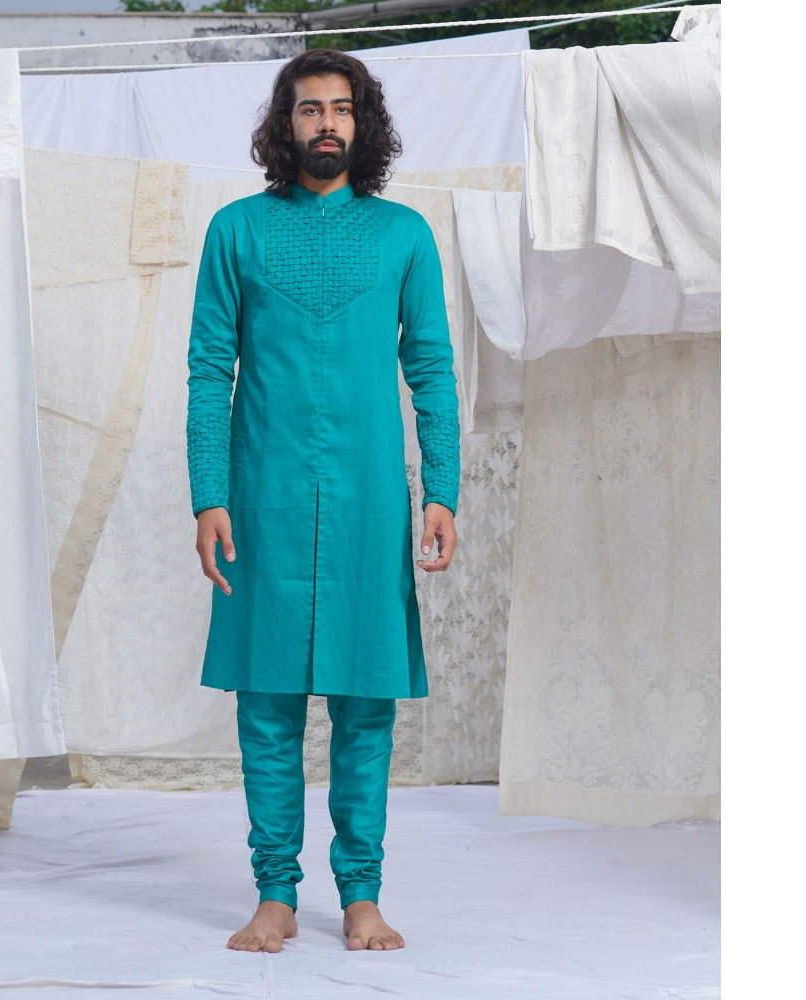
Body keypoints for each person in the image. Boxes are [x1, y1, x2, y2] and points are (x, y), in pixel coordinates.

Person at [186, 48, 460, 954]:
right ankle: (274, 893)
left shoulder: (403, 235)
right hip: (260, 497)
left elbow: (431, 370)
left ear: (362, 123)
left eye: (341, 108)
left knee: (365, 702)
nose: (327, 123)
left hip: (369, 501)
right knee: (265, 701)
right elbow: (208, 369)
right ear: (285, 125)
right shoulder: (235, 230)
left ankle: (360, 896)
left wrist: (442, 491)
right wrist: (209, 494)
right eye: (310, 109)